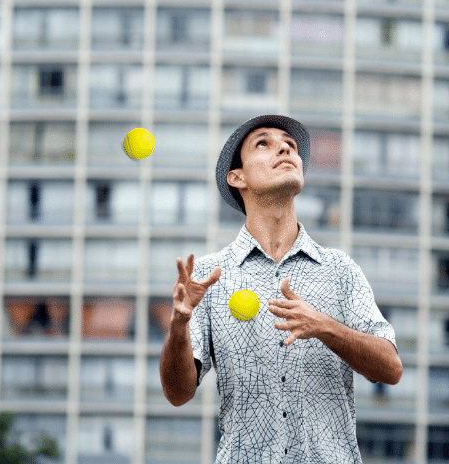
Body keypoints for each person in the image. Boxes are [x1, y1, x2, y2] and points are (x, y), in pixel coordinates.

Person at [159, 114, 402, 464]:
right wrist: (179, 326)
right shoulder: (209, 276)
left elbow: (391, 369)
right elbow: (178, 393)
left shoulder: (339, 269)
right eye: (264, 143)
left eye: (290, 145)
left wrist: (324, 326)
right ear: (236, 178)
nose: (285, 148)